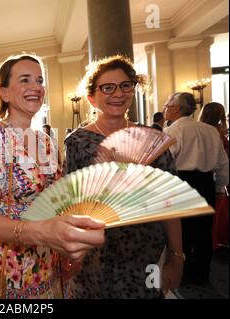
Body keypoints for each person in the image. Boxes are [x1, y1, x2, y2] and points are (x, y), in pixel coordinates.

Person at [0, 53, 105, 299]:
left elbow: (57, 199)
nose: (35, 87)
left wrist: (66, 248)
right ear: (4, 93)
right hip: (10, 265)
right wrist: (39, 232)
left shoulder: (45, 141)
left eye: (40, 80)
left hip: (49, 257)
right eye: (25, 80)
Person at [64, 55, 183, 298]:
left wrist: (176, 256)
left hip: (144, 252)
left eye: (125, 85)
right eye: (107, 87)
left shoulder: (152, 137)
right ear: (92, 97)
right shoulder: (77, 142)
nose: (117, 93)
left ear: (132, 90)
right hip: (96, 256)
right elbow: (71, 204)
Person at [164, 94, 229, 284]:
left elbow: (166, 163)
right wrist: (218, 187)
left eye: (167, 105)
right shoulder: (210, 131)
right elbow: (223, 163)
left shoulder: (173, 131)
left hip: (181, 182)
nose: (165, 108)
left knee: (181, 231)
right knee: (203, 232)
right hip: (206, 183)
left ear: (176, 109)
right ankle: (201, 274)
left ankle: (183, 274)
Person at [199, 102, 229, 250]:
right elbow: (223, 160)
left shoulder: (199, 129)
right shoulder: (216, 131)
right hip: (214, 174)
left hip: (203, 174)